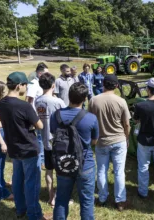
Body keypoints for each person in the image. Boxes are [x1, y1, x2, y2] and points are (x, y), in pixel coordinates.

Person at [0, 72, 52, 220]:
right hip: (28, 149)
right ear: (19, 86)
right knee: (31, 183)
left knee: (17, 179)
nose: (26, 88)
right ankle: (34, 214)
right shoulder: (25, 106)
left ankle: (20, 209)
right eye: (25, 85)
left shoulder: (2, 103)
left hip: (14, 148)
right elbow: (40, 125)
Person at [51, 83, 99, 220]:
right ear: (84, 99)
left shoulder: (56, 115)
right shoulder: (91, 118)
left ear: (69, 96)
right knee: (87, 201)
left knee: (61, 199)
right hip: (85, 164)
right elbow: (94, 141)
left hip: (63, 162)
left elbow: (53, 133)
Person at [88, 74, 131, 211]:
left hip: (101, 141)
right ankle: (120, 200)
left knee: (101, 170)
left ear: (103, 84)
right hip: (119, 140)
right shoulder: (121, 101)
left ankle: (102, 198)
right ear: (117, 86)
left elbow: (90, 121)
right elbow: (126, 124)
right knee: (119, 172)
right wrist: (127, 138)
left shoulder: (93, 100)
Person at [35, 73, 66, 208]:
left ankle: (51, 197)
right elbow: (66, 119)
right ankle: (58, 197)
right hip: (58, 141)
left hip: (45, 140)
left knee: (49, 170)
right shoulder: (58, 102)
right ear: (53, 85)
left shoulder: (37, 101)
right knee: (61, 171)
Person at [26, 65, 49, 168]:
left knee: (44, 137)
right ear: (40, 73)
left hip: (43, 114)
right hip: (37, 116)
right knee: (40, 138)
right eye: (46, 73)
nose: (48, 75)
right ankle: (41, 161)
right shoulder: (33, 84)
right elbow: (28, 100)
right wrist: (31, 116)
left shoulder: (40, 83)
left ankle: (43, 158)